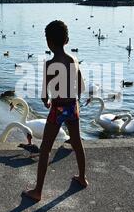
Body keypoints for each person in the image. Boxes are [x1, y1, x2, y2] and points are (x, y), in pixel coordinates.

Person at [22, 20, 88, 202]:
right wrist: (75, 100)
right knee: (77, 143)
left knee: (45, 149)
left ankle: (37, 191)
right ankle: (82, 177)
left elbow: (45, 95)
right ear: (67, 40)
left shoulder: (50, 65)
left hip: (57, 109)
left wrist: (47, 101)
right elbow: (81, 86)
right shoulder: (74, 60)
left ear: (48, 42)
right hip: (72, 106)